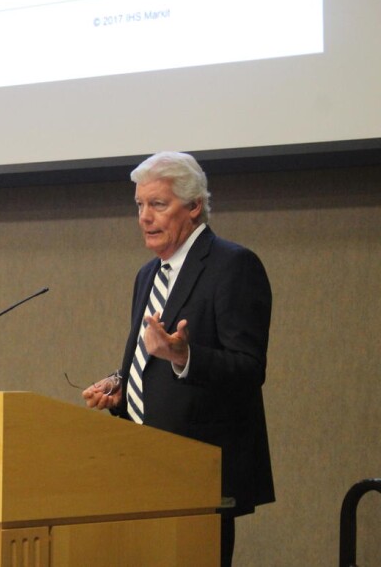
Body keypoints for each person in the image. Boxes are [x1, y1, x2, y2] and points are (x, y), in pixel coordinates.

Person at [82, 151, 274, 567]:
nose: (144, 217)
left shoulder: (233, 265)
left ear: (193, 206)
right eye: (139, 205)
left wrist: (186, 356)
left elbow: (248, 367)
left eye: (158, 204)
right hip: (141, 466)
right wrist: (123, 385)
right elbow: (152, 356)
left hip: (198, 472)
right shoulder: (148, 274)